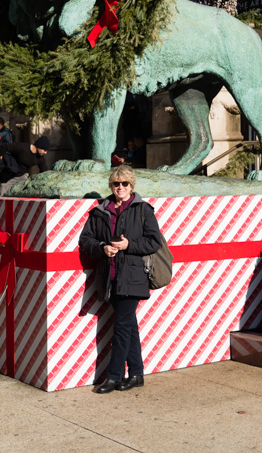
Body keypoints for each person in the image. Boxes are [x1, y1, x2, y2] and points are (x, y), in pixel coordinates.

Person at [79, 165, 162, 394]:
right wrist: (102, 247)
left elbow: (154, 242)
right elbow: (85, 241)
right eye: (116, 184)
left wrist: (129, 245)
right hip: (110, 276)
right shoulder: (100, 211)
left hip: (133, 277)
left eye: (125, 183)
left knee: (122, 327)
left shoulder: (143, 209)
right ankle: (136, 374)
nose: (121, 188)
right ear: (111, 186)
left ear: (131, 185)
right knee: (128, 326)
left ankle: (114, 376)